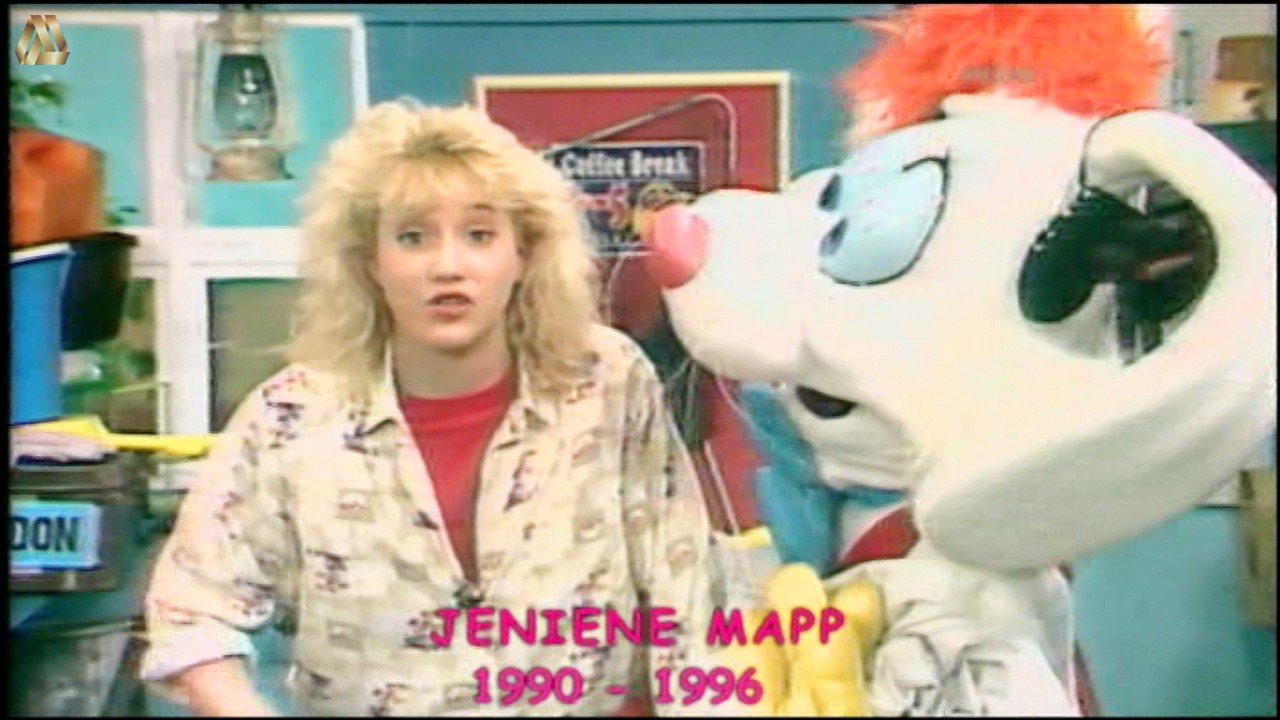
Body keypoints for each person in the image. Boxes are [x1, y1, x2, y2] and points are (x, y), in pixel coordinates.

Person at [139, 99, 733, 717]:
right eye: (413, 237)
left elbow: (685, 592)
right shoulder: (291, 416)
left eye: (479, 235)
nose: (448, 267)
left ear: (523, 254)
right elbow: (191, 609)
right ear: (370, 262)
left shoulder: (606, 379)